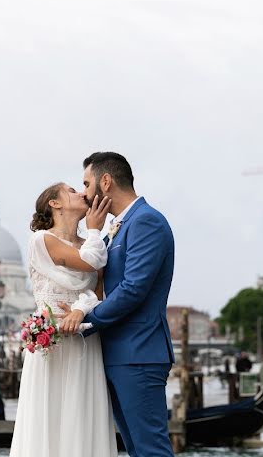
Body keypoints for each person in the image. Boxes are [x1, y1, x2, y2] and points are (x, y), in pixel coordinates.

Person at [60, 151, 176, 457]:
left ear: (106, 181)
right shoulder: (119, 227)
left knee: (151, 449)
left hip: (139, 353)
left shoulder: (146, 221)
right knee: (136, 449)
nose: (84, 192)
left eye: (86, 183)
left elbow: (133, 289)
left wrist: (85, 319)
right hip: (118, 353)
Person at [8, 183, 116, 457]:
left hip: (82, 341)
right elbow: (91, 263)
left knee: (81, 414)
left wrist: (81, 308)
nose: (81, 193)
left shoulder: (92, 244)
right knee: (49, 415)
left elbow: (97, 293)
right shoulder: (42, 240)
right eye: (71, 190)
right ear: (55, 204)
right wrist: (95, 229)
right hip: (50, 345)